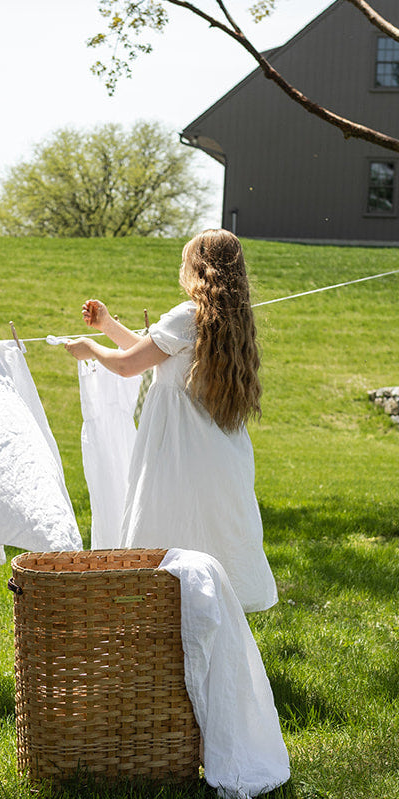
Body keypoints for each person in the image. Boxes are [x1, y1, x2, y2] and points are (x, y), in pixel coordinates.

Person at [64, 228, 277, 613]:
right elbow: (156, 354)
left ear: (197, 268)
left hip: (180, 451)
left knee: (172, 525)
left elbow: (130, 366)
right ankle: (209, 621)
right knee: (212, 531)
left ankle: (171, 628)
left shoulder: (187, 315)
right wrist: (109, 326)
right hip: (218, 452)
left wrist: (91, 348)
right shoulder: (228, 321)